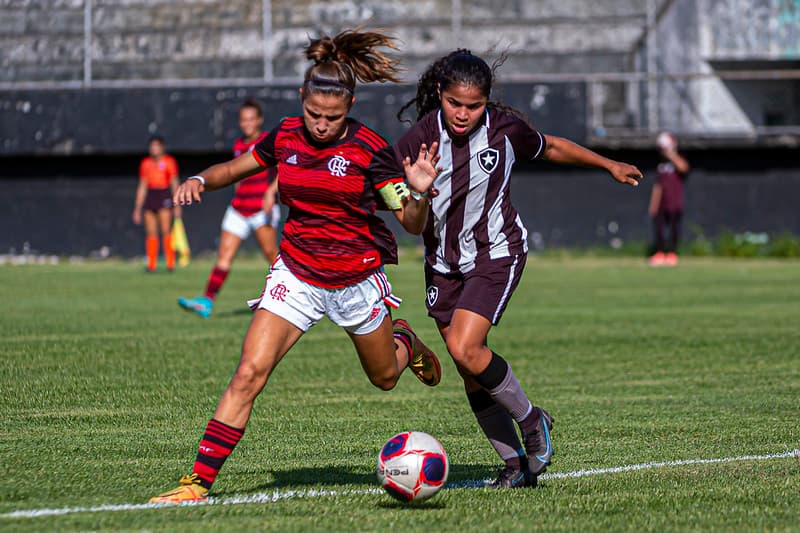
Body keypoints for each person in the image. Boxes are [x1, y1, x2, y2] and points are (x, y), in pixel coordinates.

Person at [149, 28, 442, 504]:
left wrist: (422, 191)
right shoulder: (285, 135)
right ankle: (196, 482)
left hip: (356, 280)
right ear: (301, 98)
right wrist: (201, 178)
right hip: (297, 274)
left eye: (333, 117)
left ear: (348, 107)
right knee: (249, 373)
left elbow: (410, 222)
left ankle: (404, 339)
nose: (321, 125)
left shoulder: (370, 149)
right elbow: (239, 166)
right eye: (313, 113)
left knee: (385, 377)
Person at [372, 50, 644, 488]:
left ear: (487, 101)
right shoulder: (411, 147)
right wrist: (418, 194)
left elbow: (551, 145)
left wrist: (608, 164)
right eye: (455, 103)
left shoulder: (504, 129)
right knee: (469, 368)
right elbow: (410, 224)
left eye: (473, 105)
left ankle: (533, 420)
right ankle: (517, 464)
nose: (463, 114)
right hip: (443, 266)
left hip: (496, 253)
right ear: (440, 94)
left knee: (464, 348)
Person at [177, 98, 281, 317]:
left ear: (259, 120)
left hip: (261, 209)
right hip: (239, 208)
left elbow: (283, 171)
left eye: (251, 119)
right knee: (224, 255)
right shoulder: (239, 145)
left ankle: (286, 298)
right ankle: (206, 301)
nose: (247, 123)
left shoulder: (268, 142)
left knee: (272, 255)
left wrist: (271, 193)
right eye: (243, 120)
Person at [132, 135, 181, 272]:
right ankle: (151, 265)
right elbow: (142, 186)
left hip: (163, 194)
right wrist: (137, 208)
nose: (154, 149)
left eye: (157, 146)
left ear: (162, 147)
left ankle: (170, 263)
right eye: (152, 146)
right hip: (151, 195)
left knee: (166, 230)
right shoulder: (145, 163)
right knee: (151, 232)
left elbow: (174, 183)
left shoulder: (169, 162)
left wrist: (177, 203)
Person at [648, 131, 690, 266]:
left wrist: (671, 154)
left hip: (674, 203)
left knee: (673, 229)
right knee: (659, 229)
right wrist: (653, 204)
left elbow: (684, 168)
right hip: (661, 204)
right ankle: (659, 253)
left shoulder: (677, 162)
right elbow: (657, 186)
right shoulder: (660, 166)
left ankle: (672, 253)